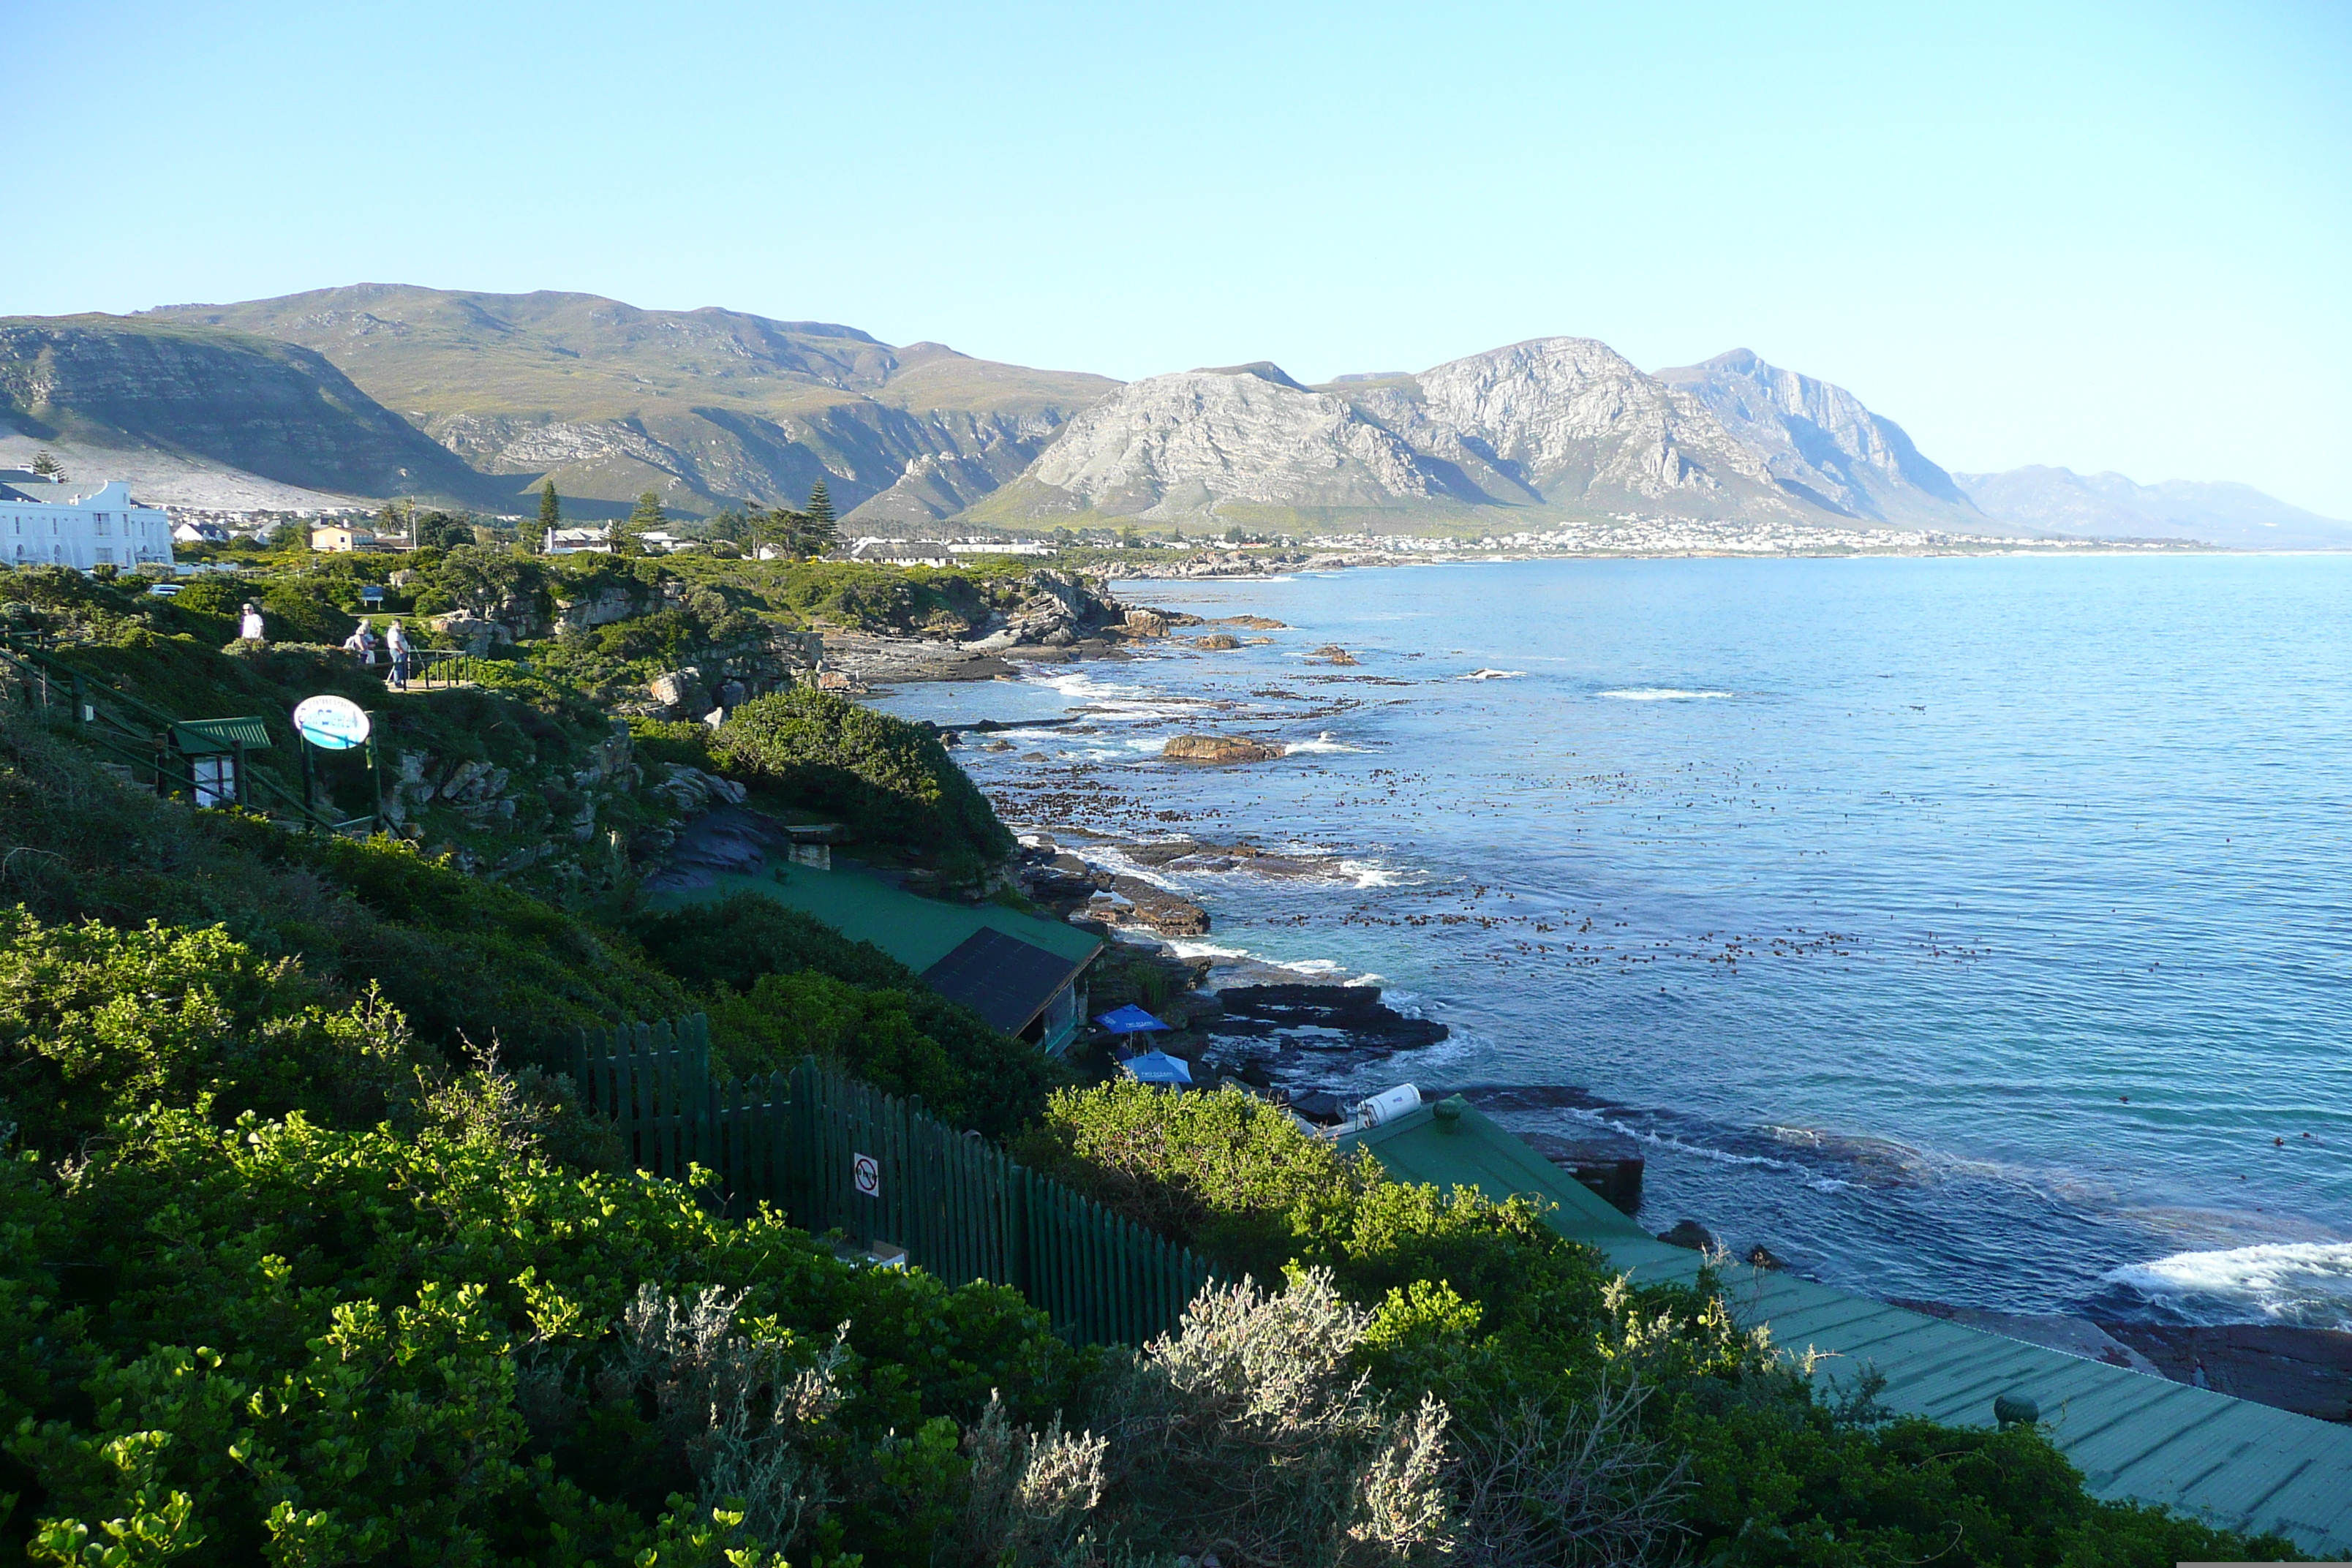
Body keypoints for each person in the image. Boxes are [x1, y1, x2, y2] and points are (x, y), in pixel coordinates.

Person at [384, 619, 410, 690]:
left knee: (401, 666)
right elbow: (396, 642)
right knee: (398, 666)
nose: (400, 626)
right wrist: (401, 649)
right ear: (394, 624)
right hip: (397, 651)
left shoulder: (398, 632)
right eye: (399, 624)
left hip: (401, 650)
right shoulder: (394, 632)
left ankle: (401, 681)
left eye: (401, 624)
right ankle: (398, 682)